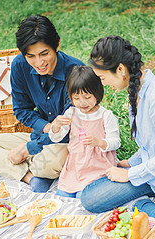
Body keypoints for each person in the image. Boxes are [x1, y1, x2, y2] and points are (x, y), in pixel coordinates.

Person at [0, 15, 84, 193]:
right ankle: (30, 177)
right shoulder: (20, 65)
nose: (39, 63)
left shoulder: (77, 72)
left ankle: (30, 166)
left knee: (49, 163)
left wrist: (27, 149)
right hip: (39, 137)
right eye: (31, 56)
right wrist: (46, 128)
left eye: (44, 54)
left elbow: (69, 129)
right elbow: (22, 110)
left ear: (57, 45)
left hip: (67, 142)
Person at [78, 35, 155, 218]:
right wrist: (130, 163)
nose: (103, 84)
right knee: (90, 198)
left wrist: (130, 174)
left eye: (102, 77)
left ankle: (145, 207)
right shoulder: (136, 90)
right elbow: (152, 146)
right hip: (152, 173)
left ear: (121, 69)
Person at [49, 65, 120, 198]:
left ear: (98, 93)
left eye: (87, 97)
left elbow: (115, 141)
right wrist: (56, 126)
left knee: (84, 196)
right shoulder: (71, 113)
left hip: (97, 165)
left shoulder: (105, 115)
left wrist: (100, 142)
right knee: (62, 195)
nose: (82, 102)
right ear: (70, 97)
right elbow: (56, 137)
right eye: (76, 98)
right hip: (76, 165)